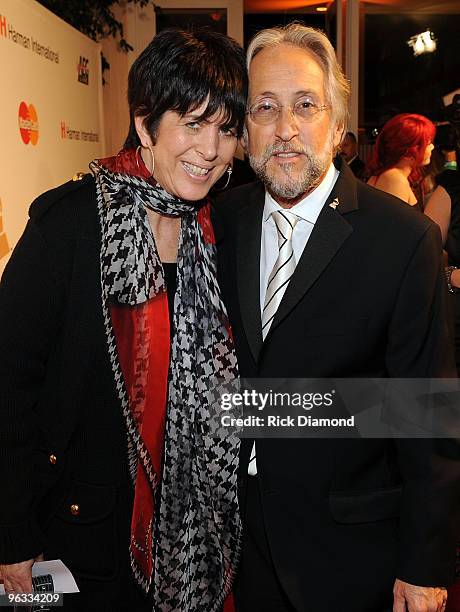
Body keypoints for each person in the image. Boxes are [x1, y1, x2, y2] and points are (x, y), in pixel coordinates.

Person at [0, 28, 247, 611]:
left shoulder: (222, 233)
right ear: (145, 125)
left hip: (191, 537)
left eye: (227, 129)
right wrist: (10, 533)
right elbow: (7, 384)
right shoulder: (72, 224)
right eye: (191, 122)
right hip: (75, 536)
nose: (210, 150)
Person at [215, 23, 458, 612]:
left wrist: (424, 566)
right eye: (265, 108)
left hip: (350, 557)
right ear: (245, 131)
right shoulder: (217, 223)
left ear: (339, 127)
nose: (285, 128)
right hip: (233, 553)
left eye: (306, 105)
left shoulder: (403, 240)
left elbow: (426, 413)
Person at [367, 113, 435, 209]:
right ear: (410, 150)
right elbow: (393, 222)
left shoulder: (393, 176)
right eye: (428, 143)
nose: (432, 147)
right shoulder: (394, 179)